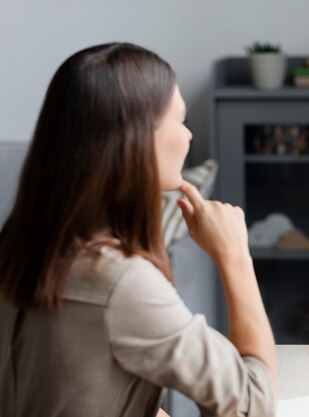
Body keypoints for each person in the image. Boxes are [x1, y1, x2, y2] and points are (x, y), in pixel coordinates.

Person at [0, 43, 276, 417]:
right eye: (180, 120)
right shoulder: (120, 282)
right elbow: (255, 407)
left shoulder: (19, 245)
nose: (189, 137)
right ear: (138, 140)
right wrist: (235, 256)